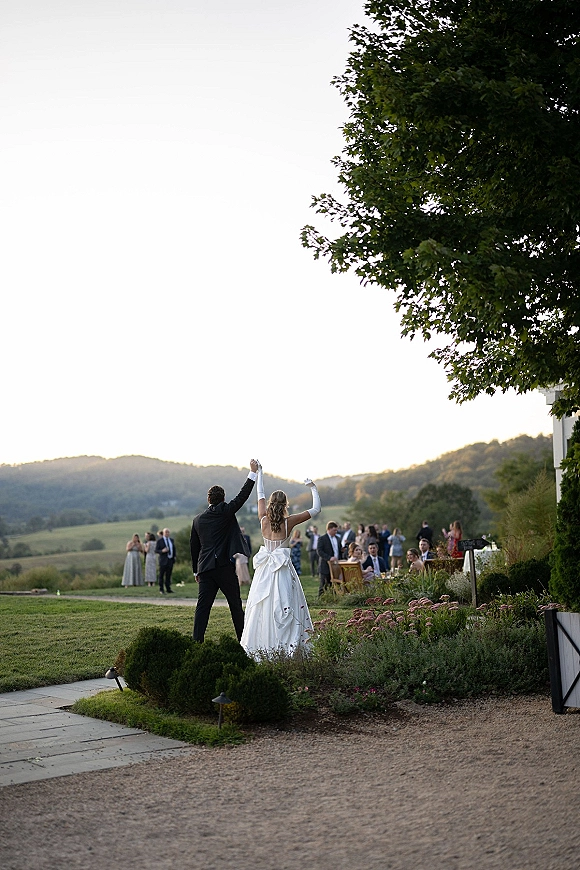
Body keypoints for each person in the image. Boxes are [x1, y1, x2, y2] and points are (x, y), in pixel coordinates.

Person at [240, 465, 320, 657]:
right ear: (286, 504)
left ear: (270, 503)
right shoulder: (288, 522)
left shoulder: (262, 519)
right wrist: (313, 487)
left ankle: (261, 645)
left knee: (262, 605)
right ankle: (287, 648)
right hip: (282, 569)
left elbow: (259, 493)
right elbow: (316, 509)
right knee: (286, 605)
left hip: (264, 570)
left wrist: (259, 473)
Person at [190, 460, 258, 642]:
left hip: (205, 569)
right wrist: (253, 473)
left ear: (208, 499)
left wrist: (196, 570)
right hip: (223, 568)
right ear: (223, 499)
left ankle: (197, 642)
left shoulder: (197, 520)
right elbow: (242, 496)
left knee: (202, 608)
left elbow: (194, 547)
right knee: (235, 605)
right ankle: (243, 641)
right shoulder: (226, 511)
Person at [317, 521, 341, 597]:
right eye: (334, 530)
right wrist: (329, 558)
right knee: (323, 584)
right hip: (325, 565)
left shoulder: (337, 538)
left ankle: (332, 599)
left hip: (336, 565)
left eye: (336, 530)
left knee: (333, 584)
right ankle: (320, 600)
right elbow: (319, 551)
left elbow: (339, 549)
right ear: (329, 529)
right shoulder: (322, 538)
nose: (336, 532)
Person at [155, 528, 177, 594]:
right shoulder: (160, 541)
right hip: (163, 560)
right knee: (161, 575)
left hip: (170, 560)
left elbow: (174, 549)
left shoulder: (171, 540)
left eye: (168, 532)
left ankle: (168, 588)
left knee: (168, 575)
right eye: (166, 532)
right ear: (163, 533)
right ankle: (161, 589)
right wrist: (162, 551)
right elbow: (156, 550)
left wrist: (174, 556)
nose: (167, 533)